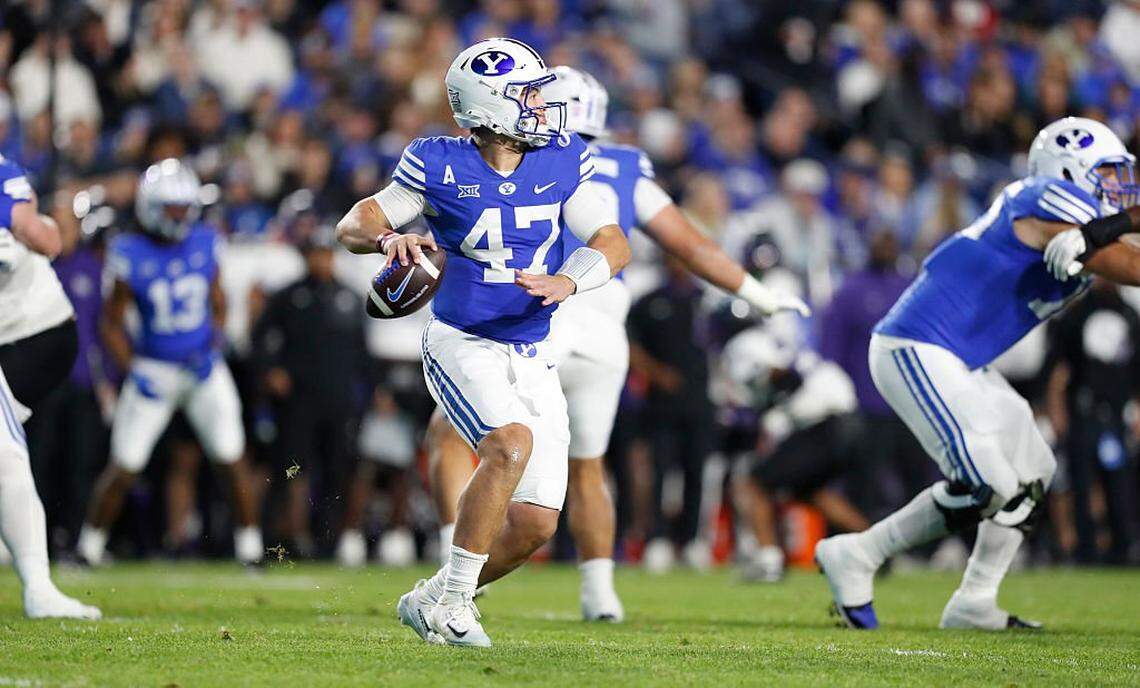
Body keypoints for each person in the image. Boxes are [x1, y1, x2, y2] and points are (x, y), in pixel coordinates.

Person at [421, 65, 809, 621]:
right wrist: (757, 292)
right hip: (605, 335)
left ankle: (451, 560)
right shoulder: (624, 168)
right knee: (587, 466)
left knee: (454, 433)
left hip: (542, 318)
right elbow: (690, 244)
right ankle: (598, 593)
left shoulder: (533, 159)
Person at [334, 38, 632, 648]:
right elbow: (355, 222)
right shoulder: (437, 162)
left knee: (534, 524)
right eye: (528, 95)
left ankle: (435, 598)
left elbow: (612, 240)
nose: (543, 107)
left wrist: (568, 277)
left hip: (532, 349)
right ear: (490, 106)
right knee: (509, 445)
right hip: (462, 341)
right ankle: (455, 610)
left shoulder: (560, 158)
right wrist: (389, 238)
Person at [816, 116, 1140, 630]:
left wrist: (1110, 226)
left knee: (1033, 474)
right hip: (918, 345)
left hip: (961, 361)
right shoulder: (1045, 196)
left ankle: (973, 601)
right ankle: (859, 553)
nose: (1119, 186)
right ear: (1067, 171)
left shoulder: (1081, 220)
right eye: (1106, 172)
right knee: (989, 484)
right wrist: (1107, 233)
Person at [77, 159, 263, 567]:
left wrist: (212, 345)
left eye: (184, 207)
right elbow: (110, 324)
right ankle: (87, 549)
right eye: (170, 208)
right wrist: (134, 369)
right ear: (149, 207)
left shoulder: (206, 240)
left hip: (202, 366)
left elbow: (218, 303)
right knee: (125, 464)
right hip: (154, 368)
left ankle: (252, 550)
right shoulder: (127, 251)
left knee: (231, 457)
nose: (179, 215)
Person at [0, 154, 101, 619]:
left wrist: (23, 222)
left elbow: (46, 237)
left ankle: (38, 585)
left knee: (5, 452)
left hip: (34, 333)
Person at [720, 322, 869, 583]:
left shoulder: (746, 344)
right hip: (849, 420)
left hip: (822, 421)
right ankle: (874, 546)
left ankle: (768, 561)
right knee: (811, 492)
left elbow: (782, 374)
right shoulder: (777, 336)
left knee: (754, 483)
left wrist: (771, 406)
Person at [253, 225, 368, 557]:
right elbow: (259, 337)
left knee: (339, 469)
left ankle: (332, 539)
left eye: (326, 254)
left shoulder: (350, 296)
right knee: (294, 467)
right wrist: (270, 371)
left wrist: (371, 391)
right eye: (315, 254)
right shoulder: (288, 296)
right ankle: (295, 535)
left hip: (339, 399)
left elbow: (363, 353)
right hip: (298, 399)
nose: (321, 261)